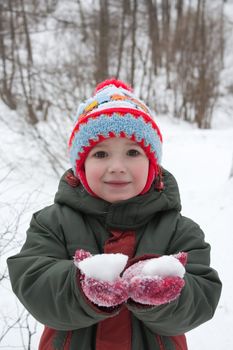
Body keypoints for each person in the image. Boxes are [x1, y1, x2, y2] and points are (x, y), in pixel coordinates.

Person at [7, 79, 222, 350]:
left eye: (133, 152)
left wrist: (165, 294)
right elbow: (33, 281)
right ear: (81, 166)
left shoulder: (181, 231)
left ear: (152, 164)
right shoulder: (52, 223)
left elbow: (202, 296)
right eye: (101, 154)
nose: (117, 166)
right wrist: (80, 287)